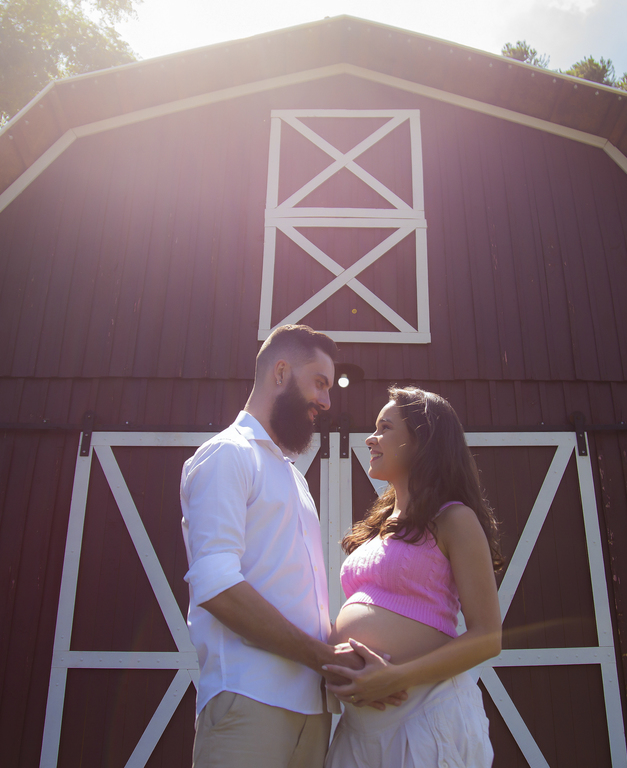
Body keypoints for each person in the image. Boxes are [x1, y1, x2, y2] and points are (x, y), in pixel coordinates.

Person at [180, 324, 386, 768]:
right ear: (280, 373)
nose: (327, 402)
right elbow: (215, 586)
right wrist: (323, 657)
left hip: (313, 712)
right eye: (319, 383)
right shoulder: (227, 455)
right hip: (248, 702)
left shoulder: (293, 477)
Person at [322, 386, 505, 768]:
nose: (370, 438)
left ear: (423, 441)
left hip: (425, 715)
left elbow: (488, 637)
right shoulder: (378, 528)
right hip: (358, 730)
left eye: (385, 428)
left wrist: (397, 677)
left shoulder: (454, 519)